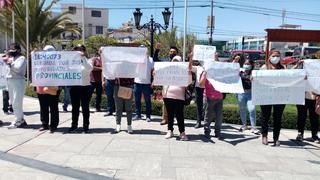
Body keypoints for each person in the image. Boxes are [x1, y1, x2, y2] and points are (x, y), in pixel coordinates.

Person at [259, 50, 286, 146]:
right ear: (269, 57)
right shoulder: (264, 68)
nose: (276, 58)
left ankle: (276, 138)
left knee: (278, 118)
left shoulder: (283, 69)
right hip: (266, 96)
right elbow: (259, 79)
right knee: (265, 116)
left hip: (279, 97)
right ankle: (264, 136)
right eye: (274, 56)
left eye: (278, 56)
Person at [162, 55, 190, 141]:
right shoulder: (167, 71)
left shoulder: (184, 72)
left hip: (179, 97)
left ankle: (182, 132)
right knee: (170, 115)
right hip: (168, 96)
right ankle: (170, 130)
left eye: (177, 62)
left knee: (179, 115)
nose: (175, 63)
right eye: (174, 61)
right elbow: (161, 80)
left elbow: (188, 83)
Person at [68, 44, 93, 133]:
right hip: (74, 87)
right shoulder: (71, 61)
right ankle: (74, 125)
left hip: (85, 87)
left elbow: (89, 68)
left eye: (81, 49)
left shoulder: (88, 60)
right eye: (76, 49)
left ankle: (86, 126)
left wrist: (82, 58)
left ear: (84, 51)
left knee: (85, 108)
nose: (79, 51)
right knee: (75, 107)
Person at [36, 45, 60, 133]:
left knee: (53, 107)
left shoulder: (58, 62)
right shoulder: (38, 61)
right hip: (41, 86)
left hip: (53, 86)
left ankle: (53, 125)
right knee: (43, 107)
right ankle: (44, 124)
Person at [154, 43, 179, 125]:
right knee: (165, 102)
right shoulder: (165, 61)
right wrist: (157, 50)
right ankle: (165, 118)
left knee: (175, 103)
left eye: (174, 52)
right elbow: (156, 60)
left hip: (176, 86)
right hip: (166, 85)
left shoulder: (179, 63)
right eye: (171, 52)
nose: (172, 53)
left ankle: (173, 118)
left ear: (177, 53)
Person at [199, 59, 224, 139]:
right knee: (208, 116)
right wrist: (205, 74)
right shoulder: (205, 72)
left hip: (219, 97)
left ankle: (218, 132)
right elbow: (201, 84)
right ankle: (207, 131)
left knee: (219, 117)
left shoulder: (221, 73)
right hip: (208, 97)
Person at [4, 43, 27, 129]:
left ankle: (19, 120)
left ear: (18, 50)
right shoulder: (11, 58)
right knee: (13, 102)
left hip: (18, 81)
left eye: (13, 50)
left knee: (17, 102)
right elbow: (7, 71)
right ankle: (20, 120)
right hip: (10, 81)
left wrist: (10, 64)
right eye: (10, 50)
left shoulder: (22, 58)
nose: (11, 52)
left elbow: (18, 69)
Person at [236, 58, 257, 132]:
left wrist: (254, 78)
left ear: (251, 65)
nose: (246, 65)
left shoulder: (254, 73)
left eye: (248, 64)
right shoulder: (240, 72)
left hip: (251, 93)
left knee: (252, 109)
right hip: (241, 93)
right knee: (242, 109)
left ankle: (253, 127)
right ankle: (244, 125)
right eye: (245, 64)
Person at [133, 55, 154, 122]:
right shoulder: (136, 58)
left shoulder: (151, 60)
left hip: (146, 83)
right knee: (137, 100)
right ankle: (137, 115)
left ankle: (148, 116)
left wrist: (153, 81)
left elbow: (153, 71)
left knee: (147, 101)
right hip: (137, 82)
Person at [191, 60, 205, 128]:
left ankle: (206, 122)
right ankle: (198, 121)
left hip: (208, 89)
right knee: (199, 105)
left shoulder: (210, 66)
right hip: (198, 88)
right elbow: (189, 67)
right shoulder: (197, 67)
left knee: (207, 106)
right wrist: (191, 58)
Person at [90, 48, 103, 112]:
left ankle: (98, 107)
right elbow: (92, 67)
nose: (101, 52)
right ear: (98, 52)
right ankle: (86, 106)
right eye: (100, 51)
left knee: (99, 95)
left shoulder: (104, 60)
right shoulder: (94, 59)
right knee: (89, 94)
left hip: (100, 81)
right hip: (93, 80)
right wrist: (101, 68)